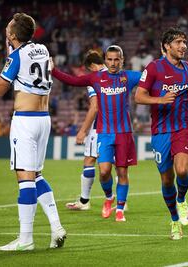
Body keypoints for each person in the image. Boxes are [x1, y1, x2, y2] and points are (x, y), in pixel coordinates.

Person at [0, 13, 66, 251]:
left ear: (13, 35)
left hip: (24, 120)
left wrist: (9, 58)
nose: (6, 30)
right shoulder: (43, 49)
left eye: (8, 28)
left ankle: (25, 239)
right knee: (36, 175)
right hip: (44, 118)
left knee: (25, 178)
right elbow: (49, 66)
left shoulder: (16, 56)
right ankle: (56, 227)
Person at [52, 45, 140, 222]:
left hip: (124, 133)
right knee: (104, 171)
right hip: (105, 133)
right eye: (110, 59)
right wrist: (53, 70)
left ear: (122, 60)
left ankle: (120, 210)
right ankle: (109, 198)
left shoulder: (129, 76)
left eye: (117, 59)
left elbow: (153, 78)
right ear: (105, 60)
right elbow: (72, 81)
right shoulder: (96, 78)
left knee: (122, 172)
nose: (113, 63)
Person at [135, 27, 188, 240]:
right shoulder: (154, 67)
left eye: (184, 42)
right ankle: (175, 221)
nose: (183, 46)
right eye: (178, 42)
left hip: (183, 127)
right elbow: (139, 96)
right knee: (167, 180)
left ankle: (182, 200)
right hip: (160, 132)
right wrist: (160, 100)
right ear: (167, 46)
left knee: (182, 170)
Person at [65, 51, 106, 211]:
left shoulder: (94, 79)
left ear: (91, 67)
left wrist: (83, 131)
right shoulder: (116, 75)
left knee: (89, 160)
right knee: (119, 165)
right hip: (119, 126)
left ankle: (84, 201)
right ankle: (121, 203)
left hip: (100, 127)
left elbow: (94, 107)